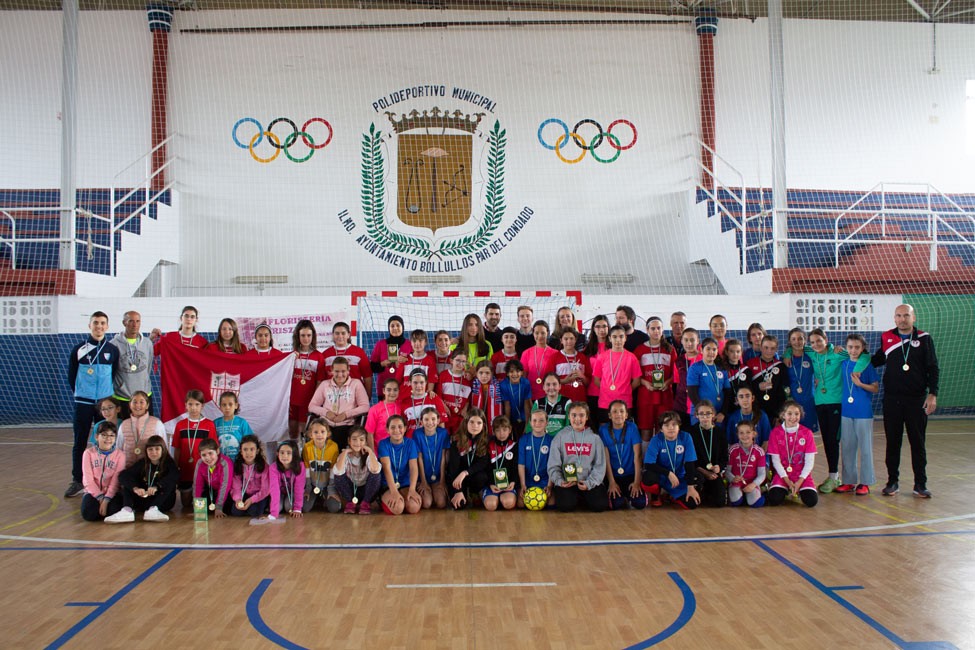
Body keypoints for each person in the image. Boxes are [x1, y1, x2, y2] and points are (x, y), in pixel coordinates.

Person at [870, 304, 939, 498]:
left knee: (918, 443)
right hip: (892, 400)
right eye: (899, 316)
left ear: (913, 317)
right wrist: (851, 354)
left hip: (916, 400)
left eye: (906, 315)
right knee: (893, 443)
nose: (902, 319)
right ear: (894, 318)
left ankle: (920, 484)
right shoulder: (887, 338)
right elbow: (877, 360)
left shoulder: (924, 339)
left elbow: (933, 368)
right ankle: (892, 482)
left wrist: (932, 394)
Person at [800, 328, 869, 494]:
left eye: (819, 341)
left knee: (833, 440)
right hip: (820, 402)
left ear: (826, 339)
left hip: (837, 403)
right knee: (827, 439)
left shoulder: (839, 353)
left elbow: (864, 356)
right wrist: (788, 353)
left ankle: (835, 476)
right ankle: (833, 476)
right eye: (813, 342)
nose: (816, 344)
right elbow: (795, 348)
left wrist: (858, 368)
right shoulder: (810, 352)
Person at [65, 311, 121, 498]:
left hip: (104, 403)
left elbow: (113, 374)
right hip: (83, 402)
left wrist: (104, 397)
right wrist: (83, 392)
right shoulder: (79, 349)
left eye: (102, 323)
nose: (99, 326)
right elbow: (71, 377)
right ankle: (77, 480)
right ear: (90, 325)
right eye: (96, 322)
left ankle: (106, 480)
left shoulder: (112, 350)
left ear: (107, 326)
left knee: (108, 440)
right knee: (80, 440)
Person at [836, 334, 880, 495]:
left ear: (863, 349)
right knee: (847, 447)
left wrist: (860, 384)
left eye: (857, 347)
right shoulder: (843, 363)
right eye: (850, 347)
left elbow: (875, 388)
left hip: (863, 413)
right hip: (846, 411)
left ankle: (866, 482)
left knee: (865, 448)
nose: (853, 350)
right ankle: (848, 481)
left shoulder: (867, 366)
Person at [547, 401, 608, 512]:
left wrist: (589, 483)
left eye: (581, 415)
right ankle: (576, 498)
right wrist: (560, 481)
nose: (577, 419)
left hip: (588, 481)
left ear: (587, 417)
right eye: (574, 415)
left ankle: (583, 497)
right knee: (565, 507)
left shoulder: (595, 438)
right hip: (567, 482)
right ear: (569, 417)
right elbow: (553, 464)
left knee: (600, 506)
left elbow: (600, 465)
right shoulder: (560, 436)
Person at [105, 435, 177, 523]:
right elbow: (124, 475)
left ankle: (153, 510)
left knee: (169, 485)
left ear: (163, 450)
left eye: (157, 449)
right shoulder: (143, 463)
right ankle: (127, 511)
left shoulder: (169, 463)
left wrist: (157, 487)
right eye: (150, 449)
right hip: (143, 500)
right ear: (146, 451)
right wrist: (135, 488)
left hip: (162, 502)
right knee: (127, 484)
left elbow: (173, 478)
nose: (153, 452)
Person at [307, 356, 370, 450]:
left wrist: (346, 414)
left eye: (343, 371)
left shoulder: (356, 384)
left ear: (348, 370)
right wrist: (326, 413)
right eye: (336, 371)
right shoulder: (325, 384)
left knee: (339, 438)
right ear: (331, 370)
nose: (340, 375)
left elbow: (365, 406)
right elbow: (312, 406)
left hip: (346, 425)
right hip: (326, 424)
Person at [642, 411, 701, 509]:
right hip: (662, 476)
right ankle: (657, 495)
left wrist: (690, 487)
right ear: (661, 429)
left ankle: (672, 496)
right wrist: (668, 473)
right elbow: (648, 464)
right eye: (667, 425)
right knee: (648, 477)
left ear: (679, 426)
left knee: (692, 503)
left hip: (679, 478)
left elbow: (690, 463)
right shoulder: (656, 439)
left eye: (674, 424)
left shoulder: (686, 437)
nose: (671, 428)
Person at [171, 389, 218, 511]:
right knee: (186, 504)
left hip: (203, 470)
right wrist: (175, 466)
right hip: (185, 470)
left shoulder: (209, 424)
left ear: (202, 406)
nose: (193, 408)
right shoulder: (180, 425)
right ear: (185, 405)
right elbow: (177, 448)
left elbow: (214, 449)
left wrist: (213, 468)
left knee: (201, 506)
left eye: (197, 404)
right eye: (190, 404)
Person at [767, 401, 818, 507]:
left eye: (796, 414)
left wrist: (800, 481)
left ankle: (798, 489)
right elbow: (775, 461)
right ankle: (787, 489)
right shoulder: (775, 433)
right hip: (783, 475)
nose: (793, 417)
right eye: (789, 413)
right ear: (783, 415)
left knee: (811, 501)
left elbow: (810, 461)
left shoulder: (807, 433)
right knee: (774, 499)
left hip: (801, 475)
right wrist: (787, 480)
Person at [634, 317, 676, 443]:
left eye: (659, 328)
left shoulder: (670, 349)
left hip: (665, 396)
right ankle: (646, 462)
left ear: (662, 330)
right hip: (646, 397)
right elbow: (635, 375)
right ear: (647, 330)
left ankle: (660, 460)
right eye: (653, 328)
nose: (656, 331)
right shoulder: (639, 350)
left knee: (662, 430)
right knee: (646, 431)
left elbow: (676, 374)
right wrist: (645, 382)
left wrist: (667, 383)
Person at [598, 401, 646, 510]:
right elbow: (606, 458)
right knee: (617, 505)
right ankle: (621, 496)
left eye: (621, 411)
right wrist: (611, 482)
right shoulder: (603, 430)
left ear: (626, 415)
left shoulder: (632, 427)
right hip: (613, 475)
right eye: (614, 412)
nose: (618, 414)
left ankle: (628, 495)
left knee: (640, 503)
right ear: (609, 415)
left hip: (630, 474)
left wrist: (637, 482)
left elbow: (637, 456)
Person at [591, 325, 641, 425]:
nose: (618, 340)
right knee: (604, 432)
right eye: (614, 337)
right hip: (605, 402)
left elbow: (637, 381)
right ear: (609, 338)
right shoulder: (602, 357)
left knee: (624, 432)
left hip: (625, 402)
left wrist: (625, 389)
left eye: (621, 336)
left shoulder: (632, 357)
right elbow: (596, 379)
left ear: (625, 338)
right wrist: (606, 389)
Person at [111, 310, 154, 418]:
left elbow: (148, 366)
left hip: (144, 396)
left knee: (146, 431)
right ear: (124, 323)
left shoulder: (147, 343)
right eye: (131, 321)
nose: (135, 324)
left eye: (138, 321)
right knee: (126, 431)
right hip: (123, 397)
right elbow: (112, 370)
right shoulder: (114, 344)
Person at [446, 409, 491, 509]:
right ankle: (462, 493)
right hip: (457, 478)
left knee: (482, 477)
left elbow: (482, 463)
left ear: (483, 425)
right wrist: (458, 491)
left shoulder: (485, 440)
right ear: (466, 422)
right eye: (472, 422)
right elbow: (453, 468)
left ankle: (474, 493)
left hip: (472, 476)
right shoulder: (456, 440)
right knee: (459, 506)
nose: (475, 426)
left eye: (479, 423)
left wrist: (465, 473)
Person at [332, 426, 383, 514]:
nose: (358, 443)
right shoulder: (344, 455)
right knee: (338, 476)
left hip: (366, 490)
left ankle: (365, 503)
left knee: (376, 475)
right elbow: (338, 471)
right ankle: (350, 503)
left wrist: (370, 451)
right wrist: (345, 452)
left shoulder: (368, 455)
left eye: (361, 440)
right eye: (354, 439)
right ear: (349, 441)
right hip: (350, 489)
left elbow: (375, 470)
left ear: (366, 441)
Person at [80, 421, 125, 522]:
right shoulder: (88, 453)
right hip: (93, 493)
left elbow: (115, 481)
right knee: (88, 515)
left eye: (111, 435)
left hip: (112, 493)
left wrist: (107, 499)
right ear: (96, 437)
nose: (108, 438)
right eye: (104, 435)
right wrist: (100, 498)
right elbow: (88, 480)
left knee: (114, 511)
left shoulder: (120, 455)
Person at [378, 414, 422, 515]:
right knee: (398, 508)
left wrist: (412, 489)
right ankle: (381, 500)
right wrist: (394, 492)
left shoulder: (410, 443)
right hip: (388, 486)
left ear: (405, 428)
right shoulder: (383, 444)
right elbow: (386, 469)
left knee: (414, 507)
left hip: (405, 484)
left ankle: (402, 499)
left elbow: (413, 468)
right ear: (387, 430)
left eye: (400, 427)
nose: (397, 430)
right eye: (392, 427)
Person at [289, 319, 324, 440]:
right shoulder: (291, 355)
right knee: (291, 431)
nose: (306, 338)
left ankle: (303, 457)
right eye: (302, 335)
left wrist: (315, 402)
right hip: (291, 401)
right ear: (297, 336)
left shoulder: (318, 356)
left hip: (308, 402)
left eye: (308, 335)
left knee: (304, 432)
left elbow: (319, 382)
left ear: (313, 336)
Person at [688, 401, 728, 507]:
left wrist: (719, 467)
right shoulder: (691, 433)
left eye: (708, 413)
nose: (705, 417)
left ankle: (708, 493)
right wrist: (705, 472)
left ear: (713, 414)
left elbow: (724, 456)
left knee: (719, 503)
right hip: (698, 472)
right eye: (701, 414)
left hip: (714, 473)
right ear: (696, 415)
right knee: (693, 503)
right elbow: (689, 460)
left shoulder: (720, 433)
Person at [686, 337, 732, 426]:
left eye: (714, 349)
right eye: (708, 349)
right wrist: (703, 413)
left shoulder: (722, 369)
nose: (711, 352)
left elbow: (727, 393)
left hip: (718, 415)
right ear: (701, 350)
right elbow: (692, 393)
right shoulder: (695, 368)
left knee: (716, 439)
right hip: (700, 414)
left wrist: (723, 412)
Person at [322, 321, 372, 398]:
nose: (340, 336)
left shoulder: (359, 352)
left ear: (348, 335)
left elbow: (367, 376)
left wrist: (367, 396)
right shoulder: (325, 354)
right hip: (332, 397)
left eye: (343, 333)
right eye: (337, 333)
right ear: (333, 335)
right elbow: (322, 379)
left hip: (355, 396)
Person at [517, 409, 556, 508]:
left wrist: (549, 486)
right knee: (520, 504)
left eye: (541, 420)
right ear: (530, 422)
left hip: (545, 481)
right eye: (534, 420)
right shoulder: (524, 439)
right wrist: (523, 485)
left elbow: (553, 465)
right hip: (528, 481)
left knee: (551, 503)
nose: (537, 423)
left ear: (547, 422)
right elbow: (521, 465)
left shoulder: (551, 440)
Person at [117, 391, 166, 468]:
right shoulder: (124, 424)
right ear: (130, 405)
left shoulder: (157, 423)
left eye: (141, 402)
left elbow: (164, 447)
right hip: (128, 468)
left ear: (147, 405)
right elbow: (118, 448)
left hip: (149, 468)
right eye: (134, 402)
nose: (137, 405)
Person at [415, 407, 450, 510]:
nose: (430, 422)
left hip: (438, 476)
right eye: (426, 419)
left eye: (433, 419)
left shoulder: (443, 433)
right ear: (421, 421)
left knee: (441, 503)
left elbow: (443, 457)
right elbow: (419, 458)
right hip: (423, 476)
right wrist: (423, 481)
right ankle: (425, 488)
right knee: (427, 503)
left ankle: (435, 490)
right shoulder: (417, 434)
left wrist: (442, 481)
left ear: (438, 420)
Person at [229, 435, 272, 517]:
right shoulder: (238, 466)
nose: (248, 453)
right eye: (245, 449)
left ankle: (266, 504)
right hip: (244, 494)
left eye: (252, 449)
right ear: (241, 451)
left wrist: (252, 500)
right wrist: (238, 499)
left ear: (257, 451)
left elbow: (265, 489)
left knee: (254, 512)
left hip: (259, 495)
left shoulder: (264, 466)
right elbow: (236, 487)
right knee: (235, 512)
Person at [726, 421, 767, 507]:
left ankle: (762, 491)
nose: (745, 435)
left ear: (754, 434)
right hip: (736, 482)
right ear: (737, 434)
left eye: (748, 432)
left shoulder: (759, 451)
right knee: (736, 502)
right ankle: (742, 495)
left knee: (756, 504)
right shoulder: (733, 450)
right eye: (741, 433)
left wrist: (753, 484)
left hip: (752, 482)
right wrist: (733, 478)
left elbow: (762, 474)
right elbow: (727, 471)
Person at [785, 327, 818, 432]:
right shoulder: (785, 359)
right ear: (790, 341)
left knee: (808, 434)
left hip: (809, 401)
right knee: (792, 434)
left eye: (800, 338)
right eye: (793, 339)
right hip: (792, 402)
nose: (797, 342)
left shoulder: (811, 356)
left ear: (805, 340)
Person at [302, 418, 339, 512]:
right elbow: (307, 469)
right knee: (305, 508)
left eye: (323, 432)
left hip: (327, 485)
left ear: (328, 434)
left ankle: (323, 497)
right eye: (316, 432)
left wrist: (331, 489)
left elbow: (333, 470)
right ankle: (317, 499)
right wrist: (308, 489)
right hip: (313, 485)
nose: (319, 435)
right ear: (310, 434)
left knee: (334, 508)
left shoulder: (333, 447)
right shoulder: (307, 447)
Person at [399, 369, 448, 438]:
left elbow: (441, 424)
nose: (419, 386)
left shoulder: (434, 398)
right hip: (412, 442)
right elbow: (402, 427)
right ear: (410, 382)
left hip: (431, 442)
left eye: (422, 382)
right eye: (415, 382)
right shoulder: (404, 402)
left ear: (426, 382)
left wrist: (441, 443)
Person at [484, 416, 519, 511]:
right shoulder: (489, 446)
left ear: (510, 430)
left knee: (508, 503)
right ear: (494, 431)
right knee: (491, 506)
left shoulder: (514, 446)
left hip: (508, 485)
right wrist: (491, 483)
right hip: (492, 485)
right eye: (498, 430)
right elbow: (486, 468)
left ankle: (502, 499)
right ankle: (494, 498)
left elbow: (516, 467)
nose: (501, 433)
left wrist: (513, 482)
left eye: (504, 429)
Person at [192, 438, 233, 517]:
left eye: (210, 453)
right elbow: (197, 485)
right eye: (203, 455)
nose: (207, 458)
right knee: (204, 509)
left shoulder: (225, 463)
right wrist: (197, 507)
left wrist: (218, 507)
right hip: (211, 490)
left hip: (227, 492)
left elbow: (225, 485)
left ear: (217, 451)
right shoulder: (200, 463)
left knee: (228, 509)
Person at [520, 320, 559, 400]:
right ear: (533, 333)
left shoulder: (555, 353)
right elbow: (523, 376)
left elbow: (557, 376)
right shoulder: (526, 353)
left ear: (547, 333)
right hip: (530, 395)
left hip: (550, 395)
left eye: (543, 333)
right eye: (537, 333)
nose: (540, 336)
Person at [438, 350, 473, 434]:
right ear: (451, 360)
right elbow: (438, 394)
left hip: (460, 417)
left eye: (463, 361)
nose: (460, 364)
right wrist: (444, 407)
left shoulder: (468, 378)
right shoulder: (443, 375)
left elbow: (469, 397)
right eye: (458, 360)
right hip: (446, 415)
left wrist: (465, 408)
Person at [214, 391, 254, 462]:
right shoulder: (215, 423)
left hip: (239, 461)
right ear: (220, 406)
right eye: (224, 405)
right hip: (220, 462)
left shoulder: (242, 422)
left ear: (236, 405)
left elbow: (250, 442)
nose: (227, 407)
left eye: (230, 404)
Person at [553, 329, 591, 404]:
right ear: (561, 340)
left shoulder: (583, 357)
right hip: (562, 400)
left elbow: (588, 382)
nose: (569, 341)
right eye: (566, 339)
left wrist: (582, 376)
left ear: (575, 340)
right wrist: (565, 381)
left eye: (571, 338)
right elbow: (549, 381)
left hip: (580, 399)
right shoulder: (554, 357)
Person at [394, 329, 438, 393]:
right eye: (414, 341)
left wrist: (429, 392)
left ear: (425, 342)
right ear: (410, 343)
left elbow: (431, 381)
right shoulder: (405, 359)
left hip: (421, 398)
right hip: (405, 397)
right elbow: (398, 380)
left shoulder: (430, 360)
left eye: (420, 341)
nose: (417, 343)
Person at [365, 377, 404, 449]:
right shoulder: (374, 409)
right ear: (383, 391)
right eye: (389, 390)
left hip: (399, 449)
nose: (392, 393)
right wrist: (372, 454)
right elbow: (370, 433)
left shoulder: (402, 406)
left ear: (399, 391)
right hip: (380, 450)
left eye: (395, 390)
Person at [269, 441, 304, 519]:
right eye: (282, 453)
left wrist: (297, 508)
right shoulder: (273, 467)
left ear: (294, 455)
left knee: (289, 507)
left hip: (292, 493)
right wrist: (274, 513)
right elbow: (274, 489)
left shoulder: (300, 466)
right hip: (280, 493)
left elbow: (299, 488)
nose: (285, 456)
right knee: (279, 508)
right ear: (277, 454)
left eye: (288, 453)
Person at [674, 328, 702, 427]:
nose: (689, 343)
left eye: (692, 340)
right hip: (681, 405)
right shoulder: (678, 361)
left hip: (699, 404)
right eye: (686, 340)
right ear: (681, 341)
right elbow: (677, 383)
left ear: (698, 341)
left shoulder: (704, 359)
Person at [583, 314, 610, 415]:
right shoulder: (588, 349)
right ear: (593, 329)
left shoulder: (613, 347)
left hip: (609, 392)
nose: (601, 329)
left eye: (604, 326)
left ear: (608, 328)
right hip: (592, 392)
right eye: (598, 327)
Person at [469, 361, 504, 434]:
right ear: (476, 373)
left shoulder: (498, 385)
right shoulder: (472, 384)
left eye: (487, 373)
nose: (484, 376)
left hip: (491, 419)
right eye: (481, 373)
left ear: (492, 373)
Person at [370, 314, 408, 381]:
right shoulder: (380, 344)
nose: (395, 328)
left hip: (404, 385)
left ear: (403, 327)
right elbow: (372, 367)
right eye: (392, 326)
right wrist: (382, 364)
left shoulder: (410, 344)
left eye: (398, 325)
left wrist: (407, 361)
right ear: (388, 328)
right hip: (384, 385)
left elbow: (416, 363)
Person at [500, 359, 532, 438]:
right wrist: (508, 425)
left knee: (525, 437)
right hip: (511, 417)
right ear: (507, 373)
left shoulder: (525, 383)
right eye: (511, 372)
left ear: (521, 373)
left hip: (524, 417)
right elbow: (507, 405)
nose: (515, 374)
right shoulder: (504, 385)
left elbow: (527, 404)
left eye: (517, 371)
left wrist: (527, 426)